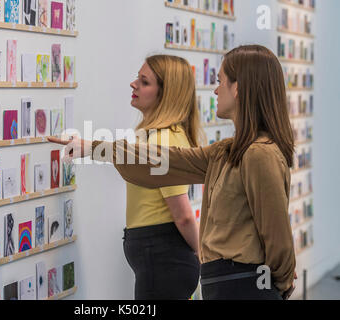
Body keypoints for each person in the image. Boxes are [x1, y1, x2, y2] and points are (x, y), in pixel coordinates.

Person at [49, 45, 297, 300]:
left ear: (239, 88)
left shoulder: (259, 154)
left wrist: (281, 281)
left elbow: (277, 233)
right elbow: (161, 161)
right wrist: (91, 148)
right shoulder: (226, 152)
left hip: (244, 286)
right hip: (224, 284)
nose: (215, 89)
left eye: (220, 81)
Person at [57, 55, 201, 300]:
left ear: (165, 94)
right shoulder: (153, 137)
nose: (133, 84)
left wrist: (204, 254)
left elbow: (183, 215)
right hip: (160, 255)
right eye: (138, 78)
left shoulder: (164, 139)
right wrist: (87, 146)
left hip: (165, 257)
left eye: (144, 82)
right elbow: (126, 154)